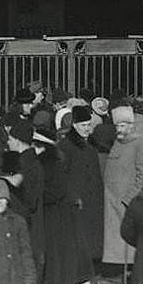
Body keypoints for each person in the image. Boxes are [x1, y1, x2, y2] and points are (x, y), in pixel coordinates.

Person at [39, 126, 96, 284]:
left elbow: (53, 190)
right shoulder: (57, 158)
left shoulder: (49, 162)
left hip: (56, 214)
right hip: (65, 212)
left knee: (62, 254)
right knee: (73, 255)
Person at [5, 119, 46, 284]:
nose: (8, 143)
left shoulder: (24, 165)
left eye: (11, 138)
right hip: (33, 225)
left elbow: (27, 201)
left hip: (27, 226)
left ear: (18, 140)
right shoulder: (31, 162)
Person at [103, 105, 143, 266]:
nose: (119, 129)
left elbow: (141, 172)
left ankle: (127, 267)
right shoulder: (118, 142)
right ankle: (116, 266)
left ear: (131, 126)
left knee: (127, 237)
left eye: (122, 125)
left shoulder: (139, 143)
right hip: (112, 198)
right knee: (114, 238)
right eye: (117, 126)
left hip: (125, 200)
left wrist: (130, 197)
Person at [58, 105, 104, 262]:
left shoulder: (90, 147)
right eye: (83, 125)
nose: (87, 129)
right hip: (76, 201)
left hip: (90, 199)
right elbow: (62, 176)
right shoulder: (65, 147)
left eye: (89, 125)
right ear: (74, 125)